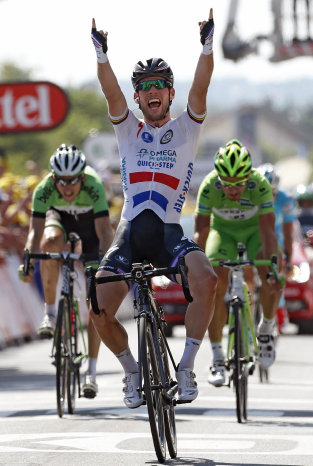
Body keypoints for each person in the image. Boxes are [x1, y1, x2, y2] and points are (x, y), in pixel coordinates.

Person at [90, 9, 217, 408]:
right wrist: (101, 55)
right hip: (130, 233)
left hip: (168, 233)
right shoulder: (128, 128)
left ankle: (187, 366)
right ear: (139, 96)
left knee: (208, 280)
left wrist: (207, 46)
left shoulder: (187, 127)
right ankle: (131, 371)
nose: (153, 91)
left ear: (169, 93)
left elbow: (202, 86)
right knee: (97, 306)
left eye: (161, 84)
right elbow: (110, 93)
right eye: (145, 87)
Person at [19, 144, 114, 398]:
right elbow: (34, 232)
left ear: (83, 177)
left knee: (96, 301)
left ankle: (91, 371)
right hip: (58, 219)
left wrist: (105, 261)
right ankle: (49, 312)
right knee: (48, 244)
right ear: (53, 178)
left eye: (73, 181)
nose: (68, 187)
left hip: (89, 226)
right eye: (61, 182)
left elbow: (104, 231)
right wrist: (28, 259)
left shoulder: (94, 186)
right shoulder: (44, 189)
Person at [194, 140, 283, 387]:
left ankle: (265, 329)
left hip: (254, 232)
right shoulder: (210, 185)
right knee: (214, 282)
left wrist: (272, 263)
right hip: (223, 233)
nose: (232, 190)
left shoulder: (260, 184)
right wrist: (198, 266)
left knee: (269, 275)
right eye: (227, 184)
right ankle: (218, 357)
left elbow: (268, 231)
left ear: (248, 177)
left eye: (238, 184)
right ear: (218, 178)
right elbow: (201, 229)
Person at [257, 163, 297, 332]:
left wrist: (288, 259)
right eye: (265, 192)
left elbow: (289, 235)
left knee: (276, 277)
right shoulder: (250, 195)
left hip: (277, 241)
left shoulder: (286, 199)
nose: (269, 196)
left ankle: (278, 312)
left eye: (272, 193)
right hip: (256, 240)